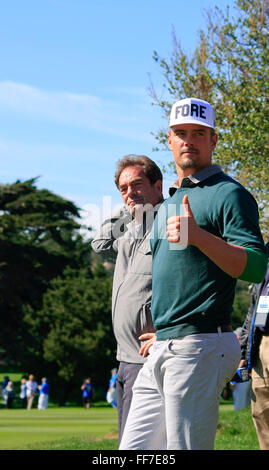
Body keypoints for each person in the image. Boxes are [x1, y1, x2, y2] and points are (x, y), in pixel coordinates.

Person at [119, 97, 267, 450]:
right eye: (180, 133)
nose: (189, 140)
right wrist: (166, 328)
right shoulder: (168, 202)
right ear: (169, 140)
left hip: (200, 345)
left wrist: (199, 237)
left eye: (199, 133)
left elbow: (256, 265)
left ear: (213, 140)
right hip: (165, 346)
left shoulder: (229, 195)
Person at [92, 154, 163, 443]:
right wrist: (129, 208)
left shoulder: (170, 228)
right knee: (127, 441)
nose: (129, 192)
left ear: (158, 187)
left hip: (147, 358)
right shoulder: (129, 231)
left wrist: (167, 330)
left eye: (137, 184)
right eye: (123, 188)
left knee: (140, 445)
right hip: (124, 358)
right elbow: (99, 244)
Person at [239, 255, 269, 449]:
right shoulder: (263, 256)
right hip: (261, 342)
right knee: (261, 410)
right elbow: (253, 308)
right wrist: (244, 351)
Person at [230, 328, 251, 411]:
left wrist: (233, 381)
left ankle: (240, 413)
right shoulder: (246, 344)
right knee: (245, 396)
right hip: (245, 371)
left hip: (242, 371)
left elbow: (241, 362)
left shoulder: (240, 347)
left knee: (240, 395)